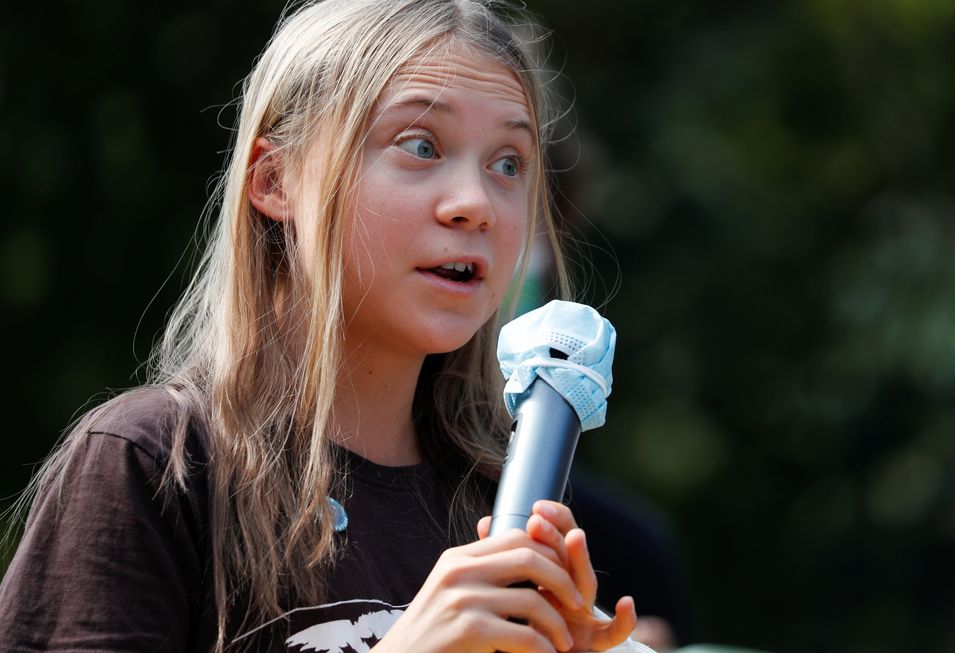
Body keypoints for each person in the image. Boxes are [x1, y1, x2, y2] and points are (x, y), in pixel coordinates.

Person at [0, 1, 640, 651]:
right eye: (420, 146)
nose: (476, 204)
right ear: (275, 181)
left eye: (509, 163)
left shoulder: (502, 500)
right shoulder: (154, 466)